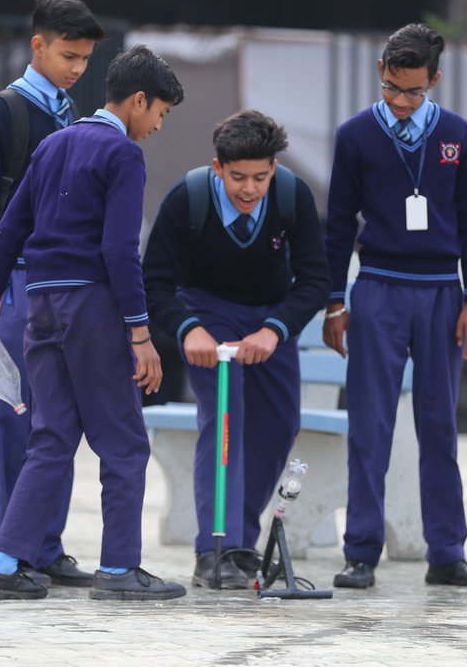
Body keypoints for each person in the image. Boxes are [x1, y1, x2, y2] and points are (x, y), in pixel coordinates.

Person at [0, 44, 187, 601]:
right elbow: (119, 250)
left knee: (51, 439)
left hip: (39, 304)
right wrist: (141, 334)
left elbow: (7, 231)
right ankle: (118, 570)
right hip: (91, 308)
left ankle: (2, 564)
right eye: (160, 113)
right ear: (138, 100)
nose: (157, 126)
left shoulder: (53, 144)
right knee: (125, 443)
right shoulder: (123, 154)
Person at [323, 22, 467, 590]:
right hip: (378, 289)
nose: (400, 101)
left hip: (443, 293)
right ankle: (360, 552)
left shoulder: (457, 135)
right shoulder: (355, 135)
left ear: (434, 81)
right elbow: (338, 225)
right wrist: (335, 302)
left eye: (414, 91)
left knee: (439, 426)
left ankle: (446, 553)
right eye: (392, 88)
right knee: (370, 426)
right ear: (380, 72)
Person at [142, 109, 330, 589]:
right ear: (218, 167)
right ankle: (214, 550)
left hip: (269, 320)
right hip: (209, 314)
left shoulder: (291, 195)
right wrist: (188, 330)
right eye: (238, 177)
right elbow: (154, 282)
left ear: (274, 169)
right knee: (226, 420)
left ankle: (241, 544)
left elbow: (314, 281)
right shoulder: (187, 198)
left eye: (260, 177)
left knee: (279, 424)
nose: (249, 189)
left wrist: (274, 330)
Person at [0, 0, 105, 590]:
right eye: (68, 55)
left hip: (57, 283)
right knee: (7, 414)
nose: (77, 68)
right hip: (13, 283)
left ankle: (43, 547)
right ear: (37, 45)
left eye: (86, 59)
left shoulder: (71, 114)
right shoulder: (6, 112)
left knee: (56, 417)